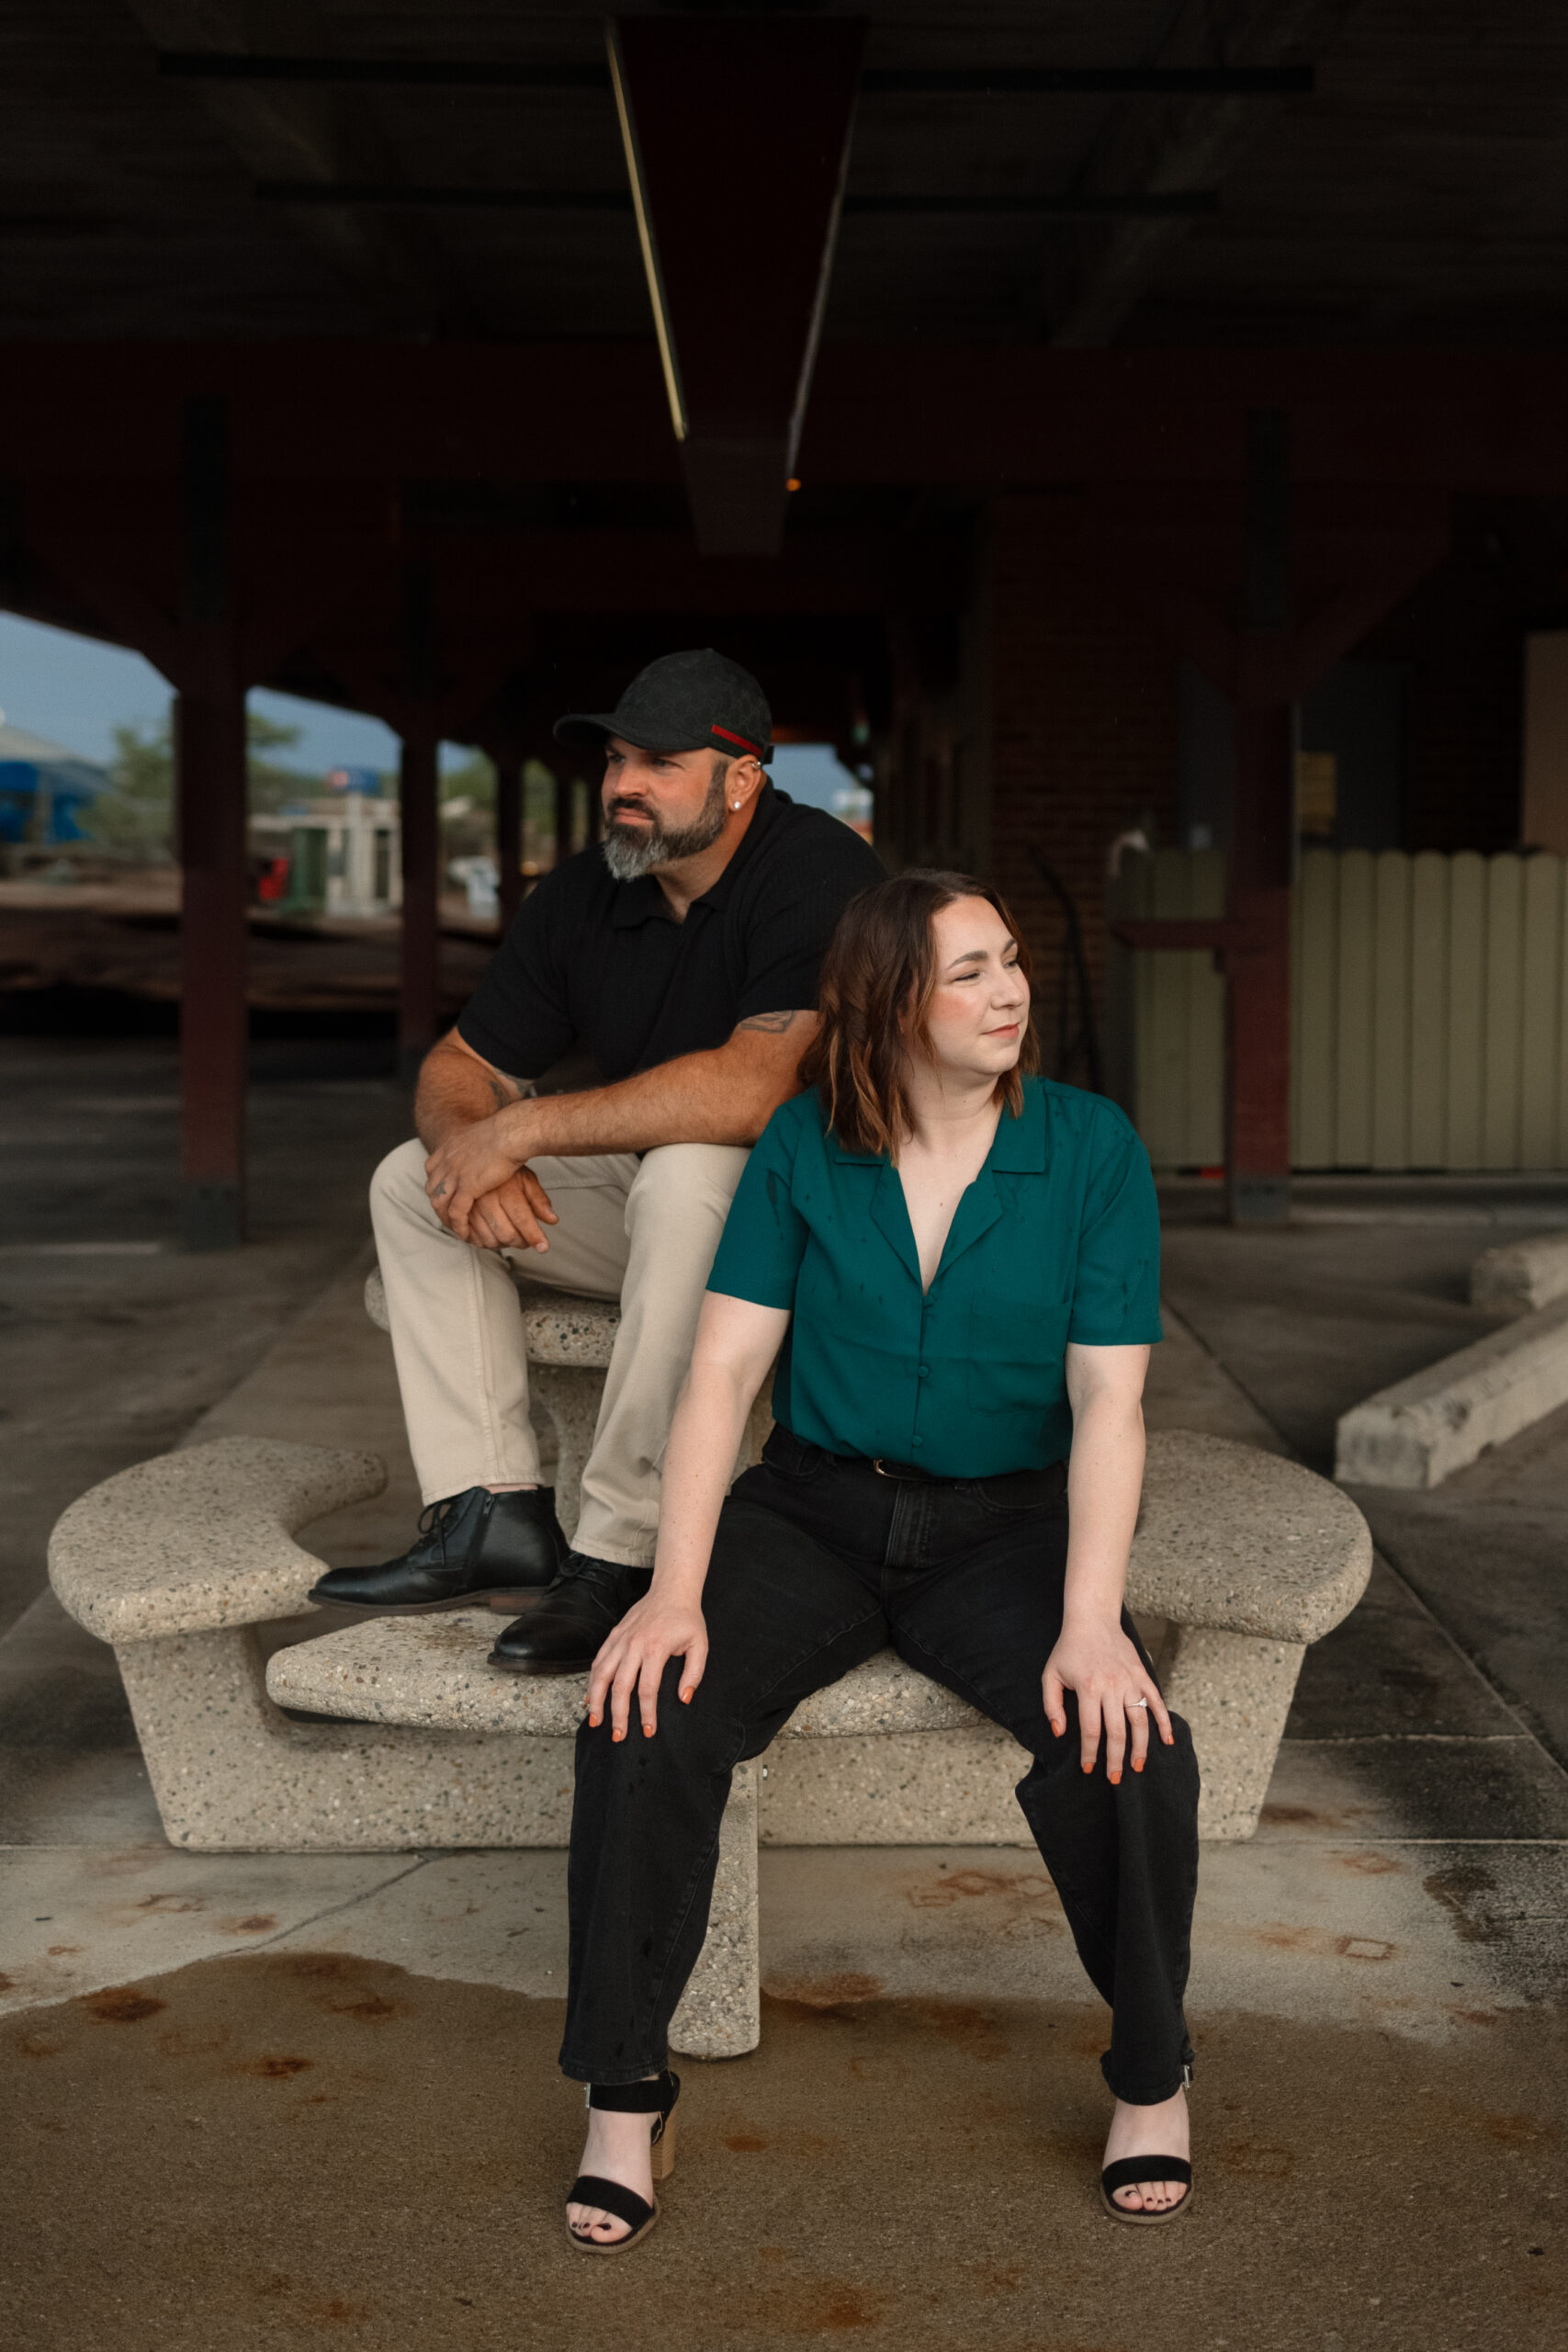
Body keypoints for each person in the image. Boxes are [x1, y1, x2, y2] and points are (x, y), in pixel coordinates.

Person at [556, 868, 1201, 2254]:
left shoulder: (1087, 1148)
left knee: (1131, 1746)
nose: (1006, 990)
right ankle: (623, 2096)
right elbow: (722, 1373)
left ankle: (1151, 2076)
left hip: (1008, 1530)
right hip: (814, 1517)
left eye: (1009, 960)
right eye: (966, 970)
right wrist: (671, 1594)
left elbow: (1107, 1401)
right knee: (640, 1713)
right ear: (885, 999)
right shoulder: (804, 1145)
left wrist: (1090, 1622)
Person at [310, 650, 882, 1671]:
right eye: (618, 759)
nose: (623, 785)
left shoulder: (820, 874)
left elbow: (751, 1091)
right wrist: (468, 1146)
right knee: (410, 1177)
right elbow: (462, 1064)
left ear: (742, 778)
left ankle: (620, 1550)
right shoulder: (586, 894)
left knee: (692, 1164)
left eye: (660, 763)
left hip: (831, 1232)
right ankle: (488, 1509)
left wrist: (521, 1131)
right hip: (686, 1229)